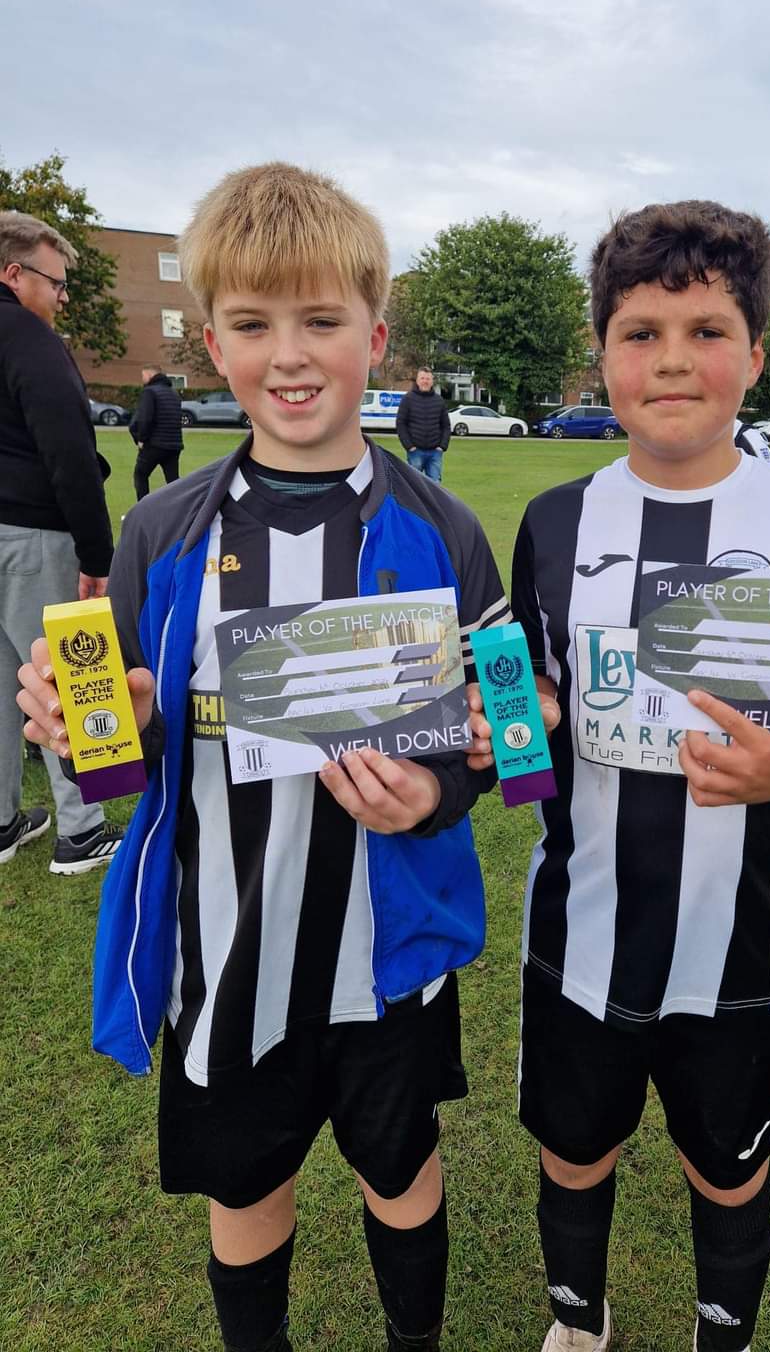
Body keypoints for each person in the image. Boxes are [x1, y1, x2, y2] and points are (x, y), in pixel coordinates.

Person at [17, 163, 510, 1352]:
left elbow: (518, 749)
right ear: (213, 348)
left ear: (376, 338)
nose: (289, 356)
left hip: (386, 956)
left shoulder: (445, 531)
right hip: (224, 949)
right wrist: (87, 726)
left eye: (321, 321)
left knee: (401, 1166)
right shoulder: (160, 531)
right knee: (245, 1189)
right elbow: (122, 760)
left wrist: (441, 789)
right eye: (252, 324)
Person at [468, 200, 770, 1351]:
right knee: (574, 1147)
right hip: (583, 925)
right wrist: (515, 726)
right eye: (641, 331)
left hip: (740, 938)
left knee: (728, 1168)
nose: (672, 360)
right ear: (602, 353)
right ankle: (579, 1322)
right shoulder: (559, 521)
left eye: (706, 330)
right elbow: (534, 695)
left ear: (755, 355)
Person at [0, 209, 124, 875]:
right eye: (56, 281)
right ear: (14, 274)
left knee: (3, 684)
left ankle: (3, 820)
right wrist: (96, 558)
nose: (63, 295)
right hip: (32, 533)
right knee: (72, 672)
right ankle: (82, 829)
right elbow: (70, 453)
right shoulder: (31, 339)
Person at [130, 363, 184, 499]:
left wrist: (141, 439)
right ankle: (179, 510)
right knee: (173, 481)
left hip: (155, 444)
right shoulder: (174, 393)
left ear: (149, 375)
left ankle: (143, 511)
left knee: (140, 475)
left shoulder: (149, 392)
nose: (142, 379)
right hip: (174, 445)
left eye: (143, 376)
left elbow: (145, 418)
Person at [396, 367, 450, 481]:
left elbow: (446, 426)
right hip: (415, 452)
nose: (425, 381)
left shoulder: (439, 400)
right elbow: (401, 424)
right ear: (417, 380)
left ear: (432, 381)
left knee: (435, 487)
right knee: (415, 486)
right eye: (422, 378)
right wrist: (409, 446)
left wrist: (442, 446)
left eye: (428, 379)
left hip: (435, 453)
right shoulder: (408, 399)